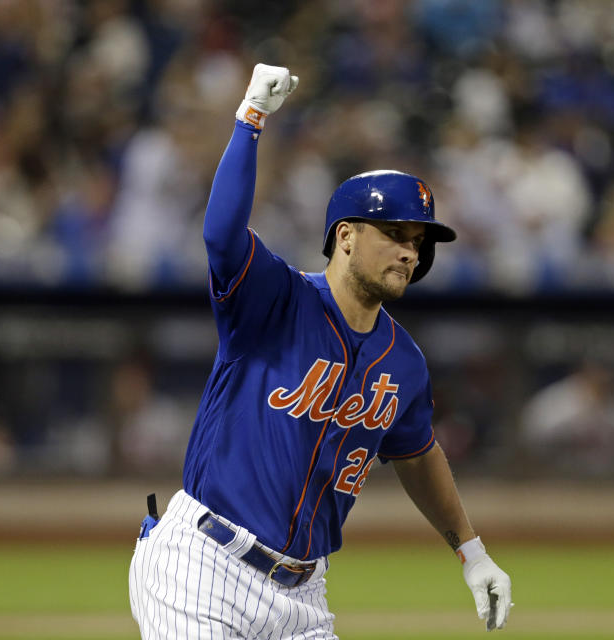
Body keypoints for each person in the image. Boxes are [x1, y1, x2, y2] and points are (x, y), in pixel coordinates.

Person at [128, 63, 512, 639]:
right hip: (202, 564)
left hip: (304, 593)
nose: (410, 252)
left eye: (418, 241)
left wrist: (473, 552)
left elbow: (417, 453)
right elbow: (221, 237)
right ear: (346, 235)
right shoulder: (275, 298)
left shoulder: (403, 362)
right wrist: (250, 118)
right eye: (395, 234)